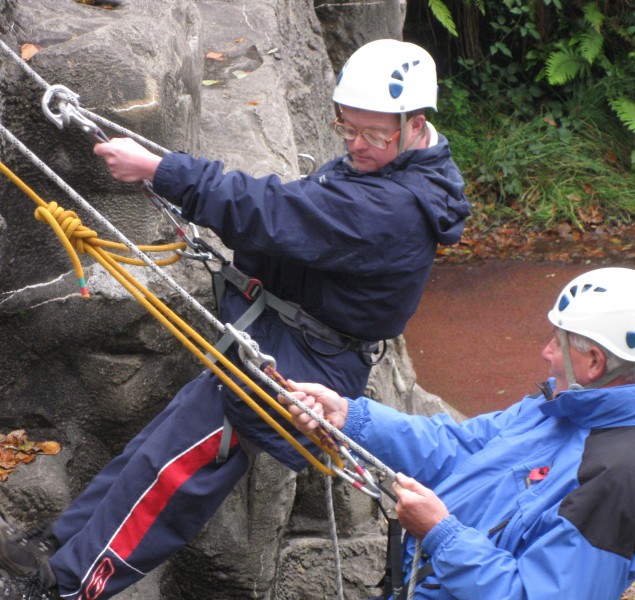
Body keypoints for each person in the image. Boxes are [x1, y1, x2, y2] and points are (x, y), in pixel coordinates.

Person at [0, 38, 470, 599]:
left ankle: (68, 585)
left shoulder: (396, 207)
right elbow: (295, 228)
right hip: (271, 340)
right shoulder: (384, 168)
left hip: (293, 368)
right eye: (347, 128)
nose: (356, 144)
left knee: (175, 475)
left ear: (415, 123)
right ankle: (58, 548)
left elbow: (278, 212)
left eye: (373, 134)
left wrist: (163, 170)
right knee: (152, 450)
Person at [284, 267, 635, 599]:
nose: (546, 352)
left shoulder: (621, 478)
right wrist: (352, 417)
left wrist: (441, 534)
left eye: (557, 343)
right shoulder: (564, 408)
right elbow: (460, 447)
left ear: (594, 362)